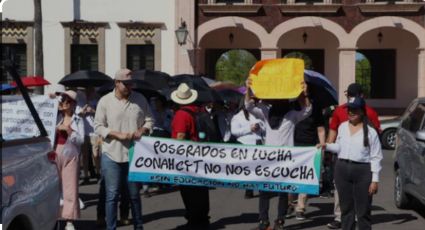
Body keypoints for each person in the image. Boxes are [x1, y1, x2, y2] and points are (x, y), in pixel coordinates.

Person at [245, 78, 311, 230]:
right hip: (268, 159)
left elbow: (307, 110)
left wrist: (304, 94)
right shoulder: (266, 112)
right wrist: (249, 89)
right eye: (276, 101)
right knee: (264, 191)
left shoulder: (292, 115)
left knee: (282, 192)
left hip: (285, 159)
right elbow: (249, 105)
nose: (278, 103)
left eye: (281, 101)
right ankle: (264, 221)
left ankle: (280, 220)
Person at [94, 69, 154, 230]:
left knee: (134, 196)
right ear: (116, 83)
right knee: (112, 195)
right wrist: (115, 134)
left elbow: (149, 120)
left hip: (134, 154)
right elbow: (98, 126)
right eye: (126, 84)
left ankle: (138, 226)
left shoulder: (140, 99)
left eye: (131, 84)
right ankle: (111, 227)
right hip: (111, 154)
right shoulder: (105, 101)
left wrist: (143, 130)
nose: (129, 87)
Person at [318, 97, 383, 230]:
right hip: (342, 169)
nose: (351, 112)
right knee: (346, 209)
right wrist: (327, 146)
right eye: (349, 109)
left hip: (363, 171)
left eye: (354, 110)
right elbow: (340, 147)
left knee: (363, 210)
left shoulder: (370, 132)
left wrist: (375, 180)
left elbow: (376, 156)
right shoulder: (342, 127)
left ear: (362, 111)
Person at [170, 83, 210, 230]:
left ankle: (194, 220)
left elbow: (180, 136)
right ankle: (203, 219)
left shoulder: (181, 114)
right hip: (200, 155)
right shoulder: (199, 110)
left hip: (186, 158)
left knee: (188, 191)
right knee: (200, 189)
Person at [290, 101, 326, 221]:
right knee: (290, 179)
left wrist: (322, 146)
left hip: (310, 148)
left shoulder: (315, 108)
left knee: (305, 178)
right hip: (291, 147)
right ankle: (290, 204)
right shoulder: (292, 105)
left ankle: (300, 208)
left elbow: (320, 129)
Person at [54, 90, 84, 230]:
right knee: (54, 188)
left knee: (70, 187)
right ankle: (54, 217)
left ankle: (69, 220)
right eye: (62, 100)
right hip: (54, 154)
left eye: (67, 101)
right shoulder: (54, 117)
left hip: (71, 155)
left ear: (73, 104)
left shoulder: (78, 120)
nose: (64, 103)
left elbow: (81, 140)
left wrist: (69, 131)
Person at [231, 100, 265, 198]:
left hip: (259, 143)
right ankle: (248, 189)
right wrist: (249, 129)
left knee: (260, 168)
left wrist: (260, 128)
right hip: (246, 145)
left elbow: (265, 128)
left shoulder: (258, 114)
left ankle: (262, 189)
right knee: (249, 169)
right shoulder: (237, 117)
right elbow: (234, 132)